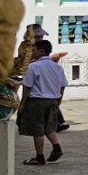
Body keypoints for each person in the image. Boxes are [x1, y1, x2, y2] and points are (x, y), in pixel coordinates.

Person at [17, 37, 68, 165]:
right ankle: (56, 147)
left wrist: (22, 105)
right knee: (49, 127)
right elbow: (62, 86)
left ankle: (39, 156)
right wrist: (58, 101)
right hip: (53, 100)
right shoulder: (57, 68)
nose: (32, 53)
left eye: (34, 50)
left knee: (38, 130)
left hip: (37, 101)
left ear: (41, 51)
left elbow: (27, 88)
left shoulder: (34, 67)